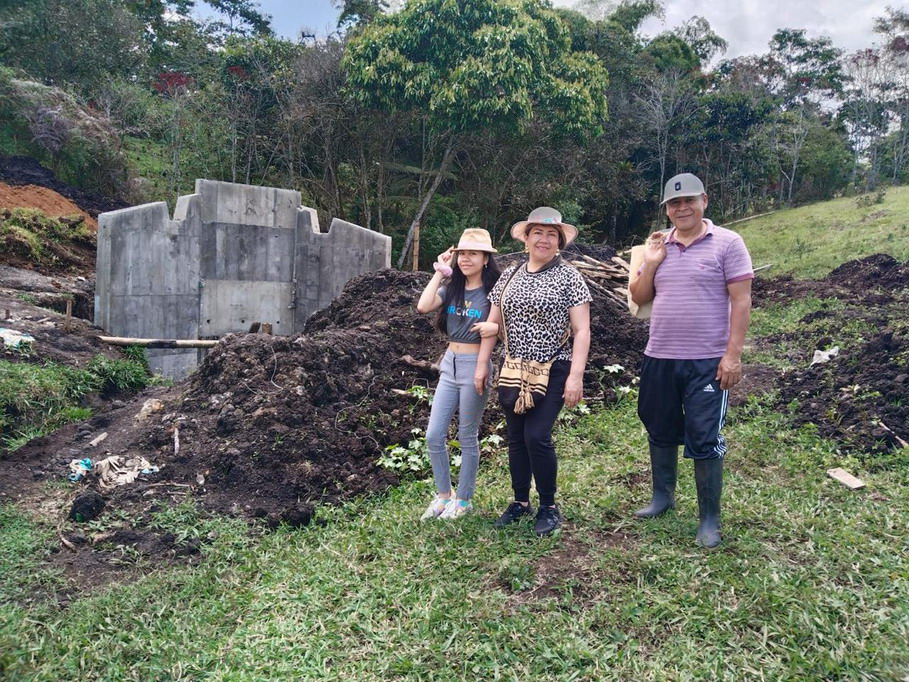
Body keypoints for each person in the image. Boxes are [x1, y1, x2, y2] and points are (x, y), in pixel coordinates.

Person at [629, 172, 753, 548]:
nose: (682, 208)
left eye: (689, 201)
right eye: (674, 203)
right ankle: (662, 498)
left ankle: (709, 519)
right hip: (660, 355)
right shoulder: (656, 245)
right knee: (659, 426)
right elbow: (639, 296)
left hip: (707, 360)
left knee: (704, 434)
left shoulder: (728, 243)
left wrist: (732, 356)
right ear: (667, 209)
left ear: (704, 202)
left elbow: (741, 301)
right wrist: (652, 262)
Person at [482, 207, 591, 537]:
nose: (544, 239)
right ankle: (520, 501)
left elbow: (582, 330)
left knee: (537, 436)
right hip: (514, 368)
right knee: (516, 437)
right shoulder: (510, 275)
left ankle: (548, 506)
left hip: (554, 367)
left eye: (551, 234)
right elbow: (493, 322)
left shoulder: (569, 277)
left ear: (559, 242)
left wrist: (576, 375)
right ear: (526, 239)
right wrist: (482, 364)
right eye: (538, 233)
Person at [416, 228, 502, 520]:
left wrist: (482, 366)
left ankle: (464, 500)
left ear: (485, 259)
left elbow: (494, 331)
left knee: (467, 435)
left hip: (475, 362)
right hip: (450, 362)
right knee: (433, 435)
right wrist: (440, 272)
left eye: (473, 254)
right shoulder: (452, 287)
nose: (465, 259)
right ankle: (444, 496)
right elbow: (423, 306)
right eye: (462, 253)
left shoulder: (493, 292)